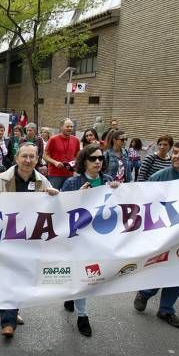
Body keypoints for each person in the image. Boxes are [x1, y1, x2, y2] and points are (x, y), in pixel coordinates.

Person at [0, 142, 59, 338]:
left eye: (32, 157)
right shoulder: (1, 180)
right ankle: (8, 321)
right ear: (17, 158)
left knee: (24, 276)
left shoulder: (42, 181)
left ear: (37, 159)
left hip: (30, 239)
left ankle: (14, 308)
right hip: (7, 237)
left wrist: (53, 196)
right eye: (24, 156)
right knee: (9, 276)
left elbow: (54, 208)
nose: (28, 160)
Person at [135, 139, 179, 328]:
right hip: (163, 235)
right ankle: (145, 292)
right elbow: (142, 200)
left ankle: (166, 309)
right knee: (159, 267)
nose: (176, 156)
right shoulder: (160, 177)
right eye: (175, 152)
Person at [60, 144, 120, 337]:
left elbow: (118, 207)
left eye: (100, 159)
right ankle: (83, 315)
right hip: (78, 238)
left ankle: (76, 302)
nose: (97, 162)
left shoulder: (108, 180)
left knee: (89, 274)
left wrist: (119, 192)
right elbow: (61, 209)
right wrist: (78, 197)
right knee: (81, 274)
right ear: (83, 161)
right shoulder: (73, 182)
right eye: (93, 158)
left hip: (99, 238)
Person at [44, 118, 80, 189]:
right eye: (67, 126)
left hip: (69, 173)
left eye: (71, 127)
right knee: (53, 196)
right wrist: (55, 162)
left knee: (67, 196)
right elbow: (45, 155)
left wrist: (75, 163)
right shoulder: (53, 139)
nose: (70, 128)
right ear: (61, 127)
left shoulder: (76, 140)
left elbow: (77, 156)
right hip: (55, 174)